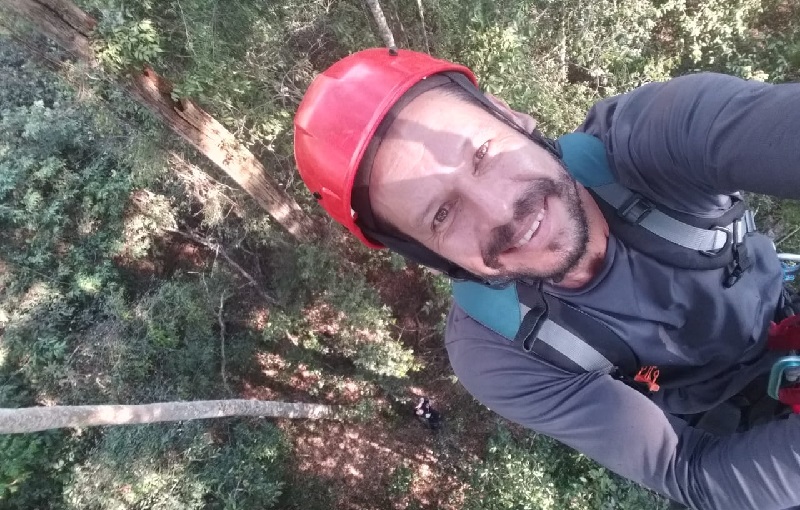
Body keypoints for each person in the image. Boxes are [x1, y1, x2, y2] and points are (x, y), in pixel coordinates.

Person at [293, 48, 800, 510]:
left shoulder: (657, 140)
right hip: (732, 438)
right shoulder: (493, 350)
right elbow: (683, 468)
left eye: (483, 154)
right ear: (428, 255)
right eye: (443, 216)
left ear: (511, 116)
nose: (501, 213)